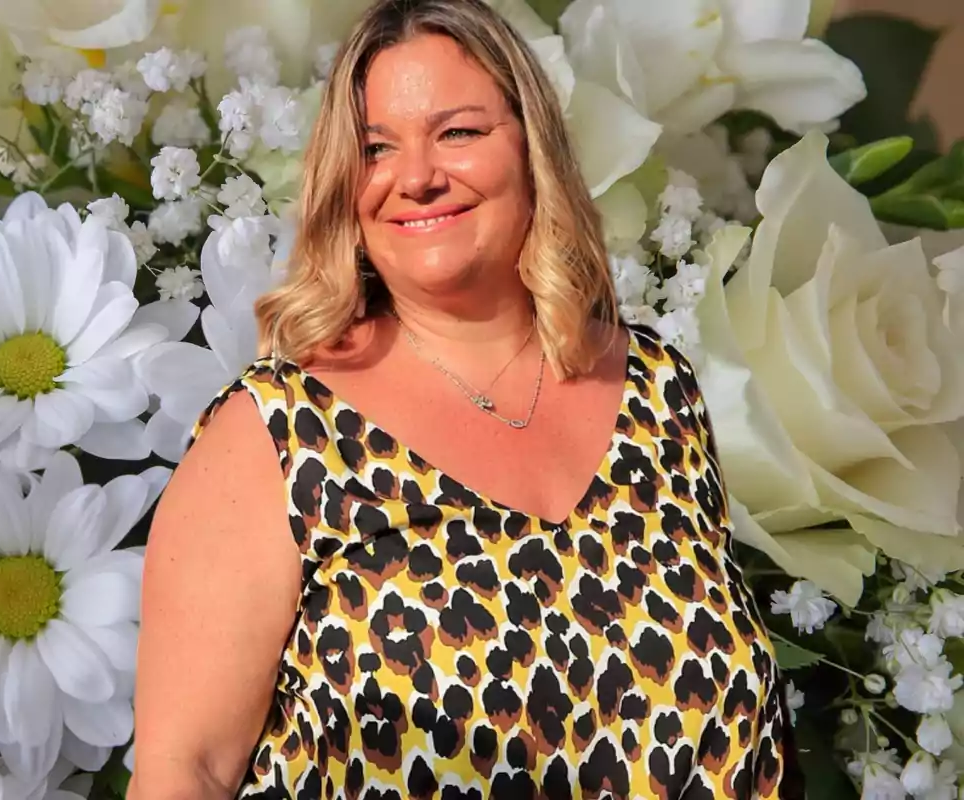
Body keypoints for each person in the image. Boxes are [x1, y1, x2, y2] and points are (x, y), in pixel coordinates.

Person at [131, 0, 802, 797]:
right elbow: (189, 770)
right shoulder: (279, 433)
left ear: (533, 148)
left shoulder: (659, 391)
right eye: (378, 147)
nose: (415, 177)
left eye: (457, 132)